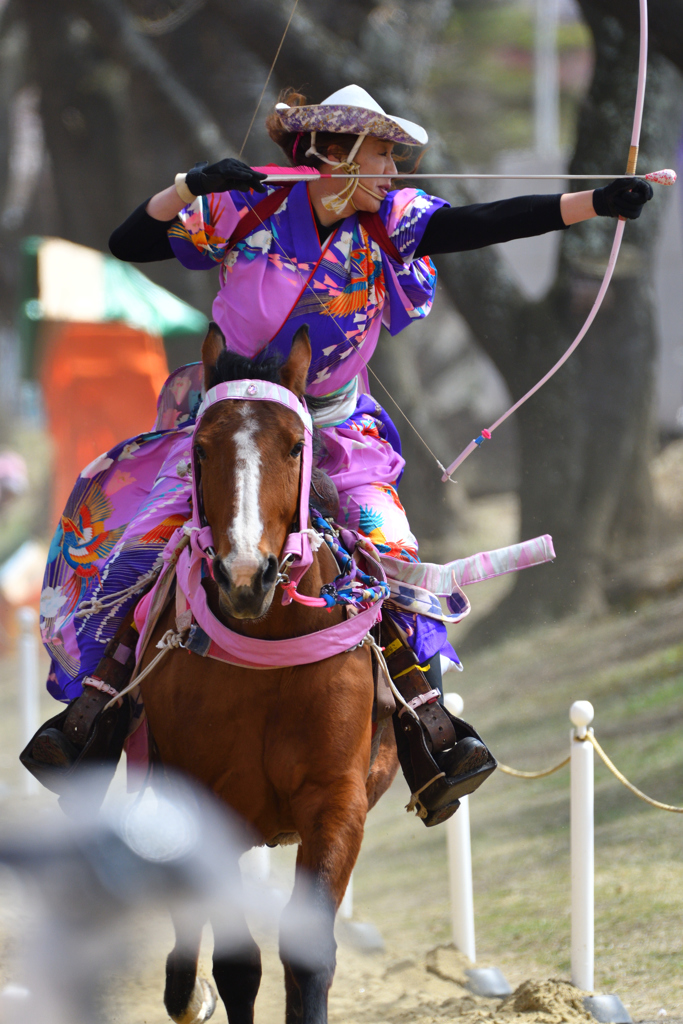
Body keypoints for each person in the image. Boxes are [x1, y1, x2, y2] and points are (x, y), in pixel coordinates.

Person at [22, 85, 653, 821]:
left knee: (394, 554)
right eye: (383, 155)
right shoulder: (246, 206)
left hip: (331, 431)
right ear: (334, 156)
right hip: (226, 420)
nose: (394, 172)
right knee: (133, 539)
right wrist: (188, 187)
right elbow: (130, 242)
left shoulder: (389, 223)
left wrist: (594, 203)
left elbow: (484, 223)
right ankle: (94, 716)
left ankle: (429, 729)